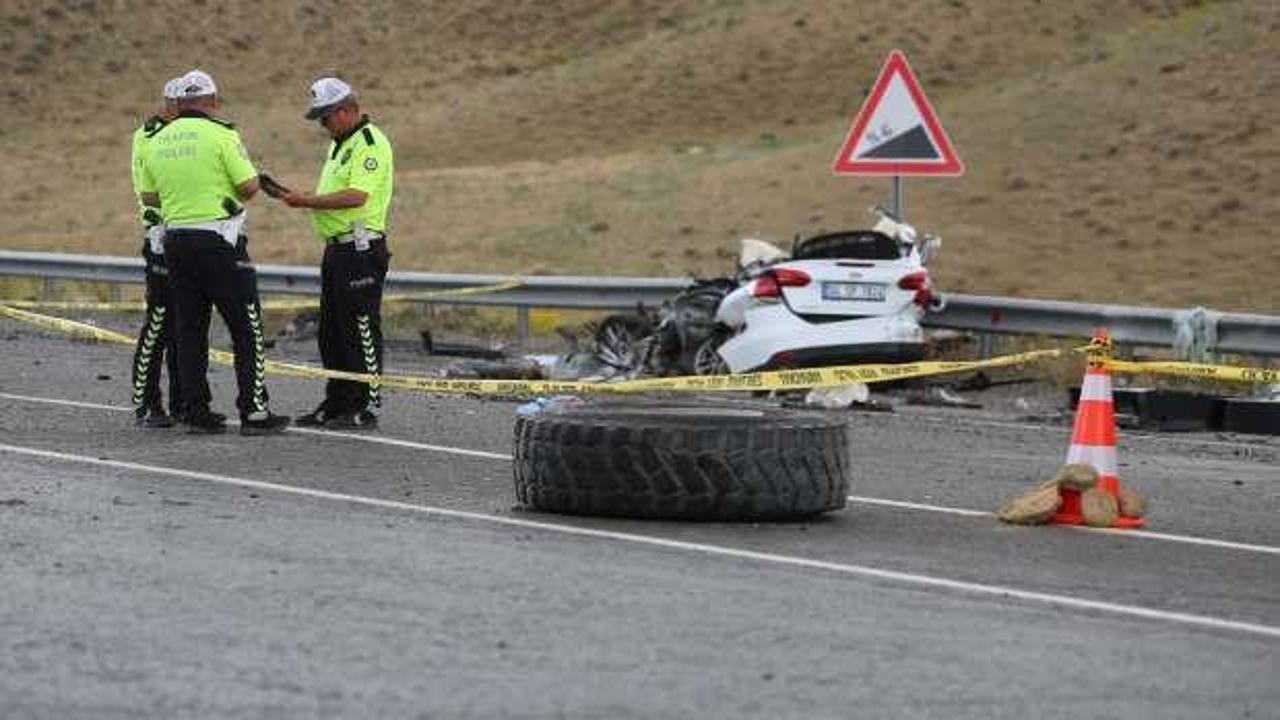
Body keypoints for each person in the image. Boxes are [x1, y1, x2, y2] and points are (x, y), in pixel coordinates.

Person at [136, 69, 290, 436]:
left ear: (179, 103)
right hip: (219, 242)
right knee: (246, 327)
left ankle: (196, 411)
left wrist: (183, 194)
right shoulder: (222, 134)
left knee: (190, 330)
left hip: (176, 242)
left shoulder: (157, 139)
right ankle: (254, 412)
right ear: (212, 101)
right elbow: (249, 187)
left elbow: (148, 195)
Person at [274, 77, 394, 431]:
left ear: (344, 110)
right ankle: (337, 401)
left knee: (360, 329)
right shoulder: (339, 146)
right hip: (337, 249)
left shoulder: (369, 143)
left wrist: (307, 201)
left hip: (360, 249)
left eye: (325, 118)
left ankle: (365, 405)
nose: (323, 126)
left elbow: (357, 196)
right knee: (332, 332)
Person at [129, 76, 184, 428]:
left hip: (190, 235)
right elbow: (148, 190)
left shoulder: (192, 132)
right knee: (160, 321)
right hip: (161, 235)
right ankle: (146, 401)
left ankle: (183, 400)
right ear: (170, 105)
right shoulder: (149, 135)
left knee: (186, 324)